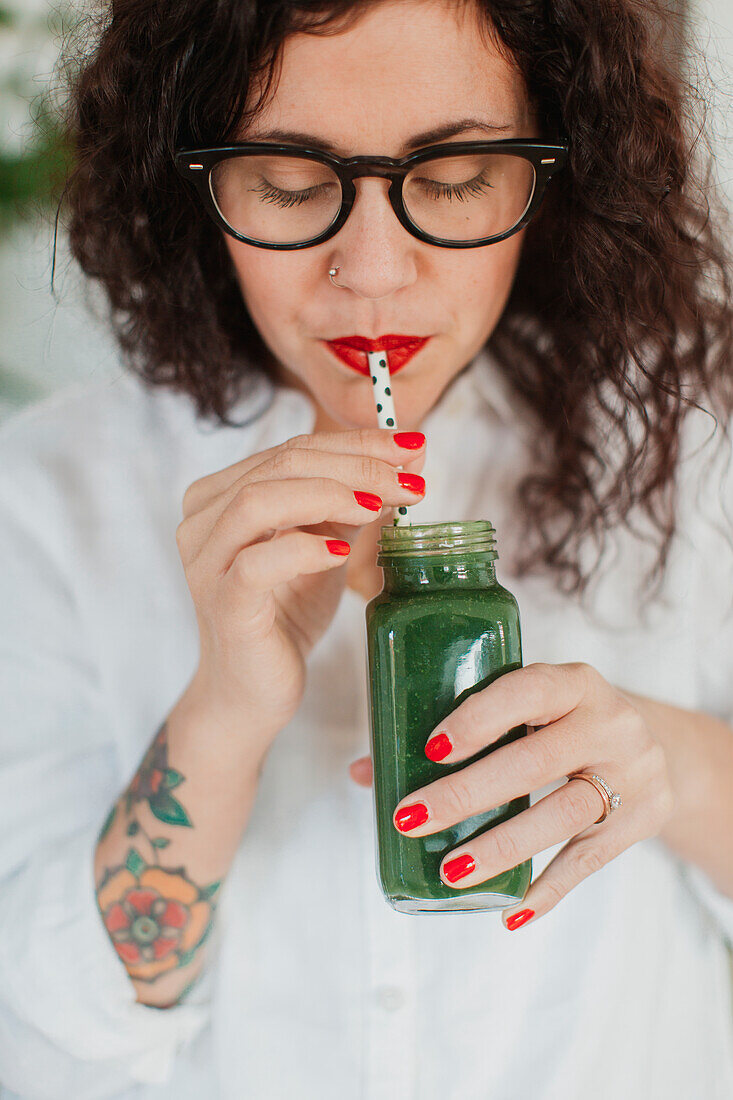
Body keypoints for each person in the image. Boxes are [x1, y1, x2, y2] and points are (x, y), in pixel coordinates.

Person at [1, 0, 732, 1096]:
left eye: (455, 178)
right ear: (190, 183)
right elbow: (50, 1038)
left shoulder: (695, 438)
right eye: (291, 186)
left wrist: (657, 758)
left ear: (556, 174)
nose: (376, 272)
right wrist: (224, 711)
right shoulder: (50, 492)